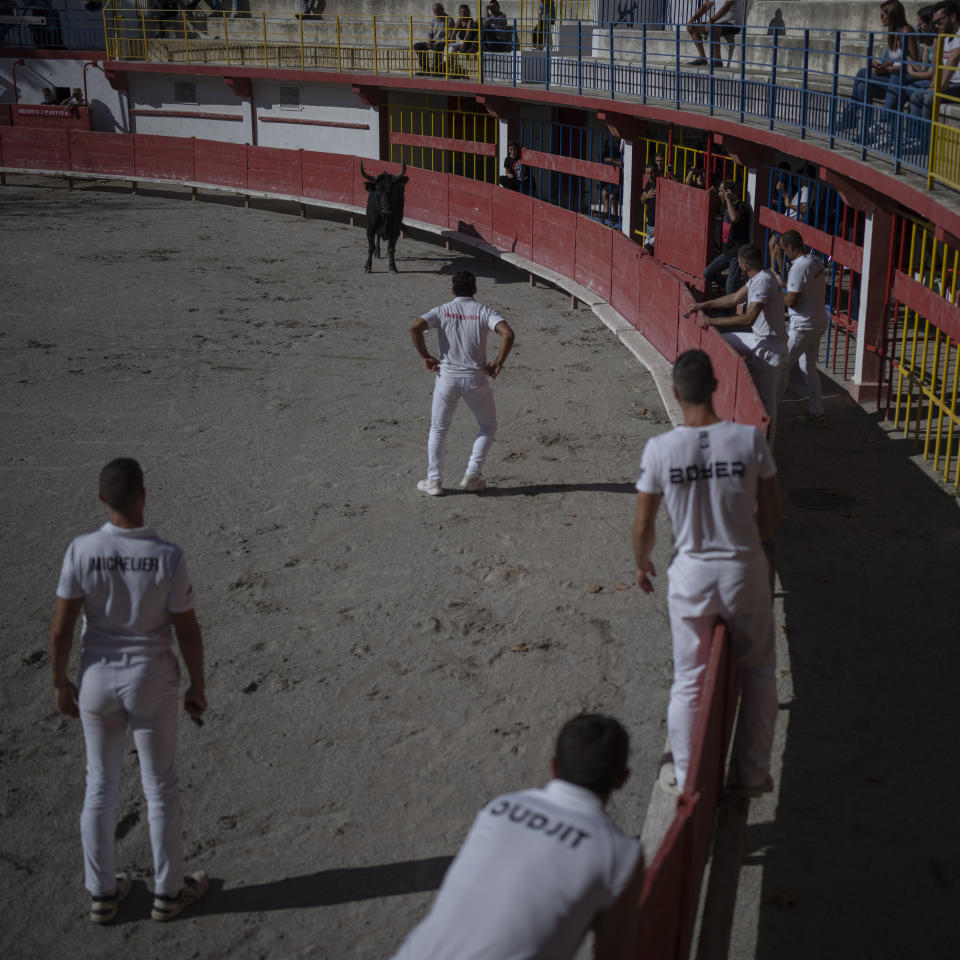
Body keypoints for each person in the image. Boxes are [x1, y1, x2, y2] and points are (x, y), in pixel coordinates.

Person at [48, 458, 209, 924]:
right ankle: (168, 890)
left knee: (99, 785)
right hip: (151, 679)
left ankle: (101, 892)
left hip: (97, 678)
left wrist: (60, 681)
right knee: (159, 787)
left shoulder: (81, 550)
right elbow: (188, 631)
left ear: (102, 499)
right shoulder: (168, 556)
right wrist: (197, 685)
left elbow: (61, 629)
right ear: (144, 495)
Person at [633, 350, 780, 796]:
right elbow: (772, 513)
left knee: (688, 680)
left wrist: (641, 563)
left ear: (676, 393)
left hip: (691, 574)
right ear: (716, 386)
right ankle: (752, 774)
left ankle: (685, 775)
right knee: (758, 670)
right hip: (742, 568)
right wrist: (746, 543)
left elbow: (644, 525)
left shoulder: (660, 448)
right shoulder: (749, 440)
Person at [388, 714, 645, 960]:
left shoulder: (499, 808)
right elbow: (615, 953)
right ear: (623, 779)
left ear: (553, 766)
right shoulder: (621, 855)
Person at [410, 271, 515, 496]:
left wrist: (425, 356)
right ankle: (472, 475)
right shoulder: (484, 311)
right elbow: (508, 334)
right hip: (475, 379)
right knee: (488, 427)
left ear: (453, 290)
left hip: (446, 379)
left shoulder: (442, 310)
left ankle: (434, 481)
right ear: (475, 290)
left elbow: (415, 327)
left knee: (438, 429)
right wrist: (498, 362)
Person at [687, 244, 786, 442]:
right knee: (722, 340)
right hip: (760, 340)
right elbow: (734, 298)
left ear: (744, 264)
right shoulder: (762, 276)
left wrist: (712, 320)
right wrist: (703, 305)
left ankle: (769, 448)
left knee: (766, 401)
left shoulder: (762, 282)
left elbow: (749, 318)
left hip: (769, 347)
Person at [838, 1, 918, 137]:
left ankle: (849, 117)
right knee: (862, 87)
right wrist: (881, 65)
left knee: (862, 73)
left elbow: (914, 63)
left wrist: (887, 69)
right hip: (890, 76)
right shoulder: (893, 32)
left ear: (892, 15)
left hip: (900, 79)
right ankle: (866, 132)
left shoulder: (906, 31)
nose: (880, 18)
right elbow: (893, 60)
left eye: (882, 15)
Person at [776, 230, 828, 425]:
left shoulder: (798, 268)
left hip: (802, 326)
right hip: (818, 321)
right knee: (807, 366)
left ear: (790, 247)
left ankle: (770, 411)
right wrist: (783, 284)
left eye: (784, 249)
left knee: (783, 366)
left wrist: (775, 290)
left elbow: (791, 301)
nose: (783, 253)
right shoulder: (815, 260)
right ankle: (817, 412)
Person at [910, 0, 960, 121]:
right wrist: (932, 85)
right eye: (934, 23)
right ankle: (917, 137)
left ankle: (926, 139)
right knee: (916, 95)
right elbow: (939, 66)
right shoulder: (944, 36)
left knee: (929, 98)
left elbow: (952, 61)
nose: (936, 26)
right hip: (951, 83)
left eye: (939, 22)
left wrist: (937, 88)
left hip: (958, 84)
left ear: (952, 17)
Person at [704, 179, 752, 295]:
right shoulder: (725, 205)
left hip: (737, 251)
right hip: (727, 251)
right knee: (708, 272)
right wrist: (713, 194)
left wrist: (728, 200)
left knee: (730, 285)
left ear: (729, 192)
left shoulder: (743, 206)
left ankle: (729, 310)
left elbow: (734, 218)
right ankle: (737, 287)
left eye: (722, 191)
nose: (720, 194)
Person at [686, 0, 739, 67]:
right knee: (692, 27)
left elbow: (727, 5)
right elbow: (706, 5)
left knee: (712, 27)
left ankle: (718, 61)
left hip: (732, 24)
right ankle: (702, 59)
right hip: (717, 23)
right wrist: (692, 19)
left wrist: (712, 20)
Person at [414, 3, 451, 74]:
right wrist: (429, 42)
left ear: (442, 10)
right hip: (434, 42)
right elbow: (430, 33)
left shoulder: (449, 20)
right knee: (417, 46)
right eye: (435, 11)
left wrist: (436, 42)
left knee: (437, 46)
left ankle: (436, 69)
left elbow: (449, 36)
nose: (436, 13)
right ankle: (425, 68)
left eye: (438, 11)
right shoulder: (434, 20)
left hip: (444, 42)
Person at [639, 160, 657, 249]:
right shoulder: (649, 184)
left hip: (656, 227)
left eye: (652, 173)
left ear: (656, 172)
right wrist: (646, 196)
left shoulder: (660, 185)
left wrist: (658, 227)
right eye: (648, 173)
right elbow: (642, 200)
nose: (650, 176)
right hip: (649, 225)